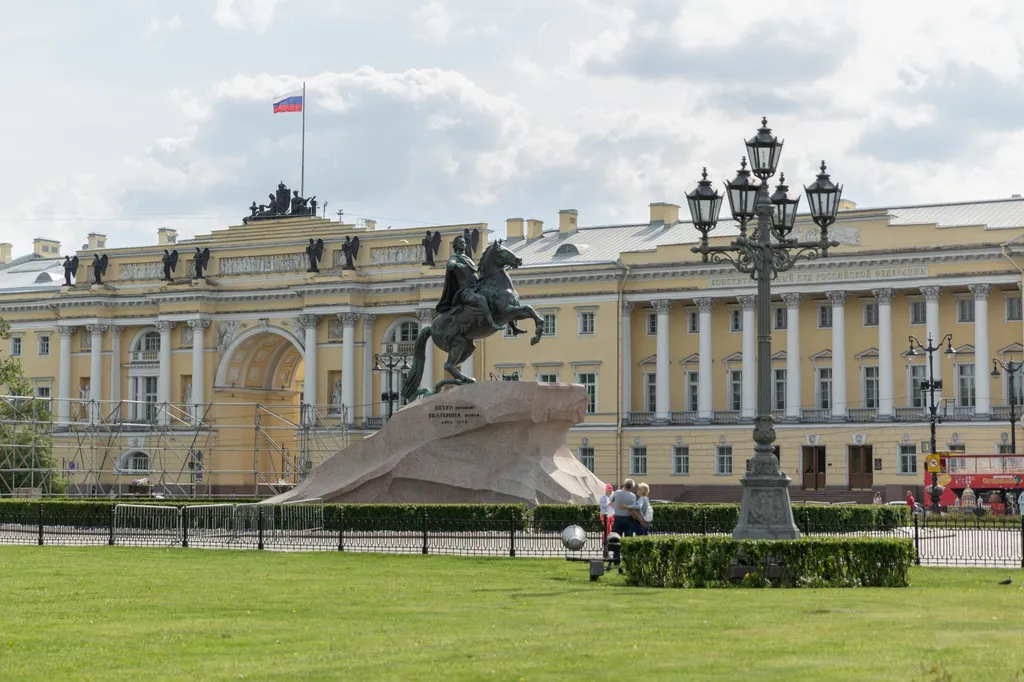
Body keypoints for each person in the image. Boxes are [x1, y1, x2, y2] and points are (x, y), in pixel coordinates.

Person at [435, 234, 503, 331]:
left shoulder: (468, 259)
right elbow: (450, 265)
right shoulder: (455, 257)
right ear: (455, 245)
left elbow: (474, 274)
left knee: (492, 295)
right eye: (460, 243)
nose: (463, 244)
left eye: (464, 242)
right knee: (481, 300)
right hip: (465, 291)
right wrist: (456, 264)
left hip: (475, 287)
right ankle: (491, 323)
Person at [609, 479, 640, 568]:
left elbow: (611, 500)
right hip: (628, 519)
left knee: (616, 540)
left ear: (624, 484)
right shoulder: (633, 496)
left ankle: (616, 560)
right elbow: (633, 508)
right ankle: (628, 560)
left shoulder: (617, 493)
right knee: (628, 540)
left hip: (618, 519)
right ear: (631, 487)